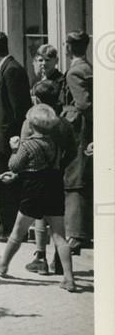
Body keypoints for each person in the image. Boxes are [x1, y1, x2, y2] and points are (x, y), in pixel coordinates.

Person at [0, 103, 77, 292]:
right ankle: (69, 278)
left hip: (33, 191)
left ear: (32, 125)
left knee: (18, 232)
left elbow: (14, 165)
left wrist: (14, 149)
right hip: (54, 187)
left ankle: (4, 263)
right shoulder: (54, 143)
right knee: (59, 236)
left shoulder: (28, 144)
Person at [22, 79, 78, 275]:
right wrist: (61, 164)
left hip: (37, 178)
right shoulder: (64, 124)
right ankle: (61, 264)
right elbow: (73, 149)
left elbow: (24, 149)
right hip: (58, 175)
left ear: (37, 100)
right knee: (58, 224)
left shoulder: (32, 123)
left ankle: (40, 257)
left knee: (39, 216)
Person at [0, 31, 32, 242]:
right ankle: (4, 224)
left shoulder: (12, 70)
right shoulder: (6, 67)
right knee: (0, 184)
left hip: (7, 138)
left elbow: (18, 108)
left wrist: (14, 139)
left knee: (7, 184)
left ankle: (11, 229)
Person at [60, 30, 93, 250]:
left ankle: (75, 234)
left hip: (78, 131)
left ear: (69, 48)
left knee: (74, 179)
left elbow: (83, 104)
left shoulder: (74, 72)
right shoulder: (88, 68)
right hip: (86, 130)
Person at [31, 43, 65, 111]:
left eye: (47, 60)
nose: (43, 63)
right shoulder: (37, 79)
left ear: (56, 61)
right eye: (40, 60)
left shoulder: (60, 80)